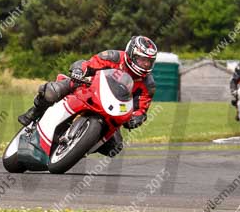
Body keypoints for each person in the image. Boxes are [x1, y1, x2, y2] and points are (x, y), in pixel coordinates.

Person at [17, 36, 158, 157]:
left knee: (114, 147)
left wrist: (137, 118)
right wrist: (79, 70)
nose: (145, 64)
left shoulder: (148, 84)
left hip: (112, 109)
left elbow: (141, 108)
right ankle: (35, 111)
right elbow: (88, 64)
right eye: (142, 59)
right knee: (52, 91)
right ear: (131, 54)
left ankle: (78, 147)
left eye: (149, 61)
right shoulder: (113, 57)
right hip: (88, 88)